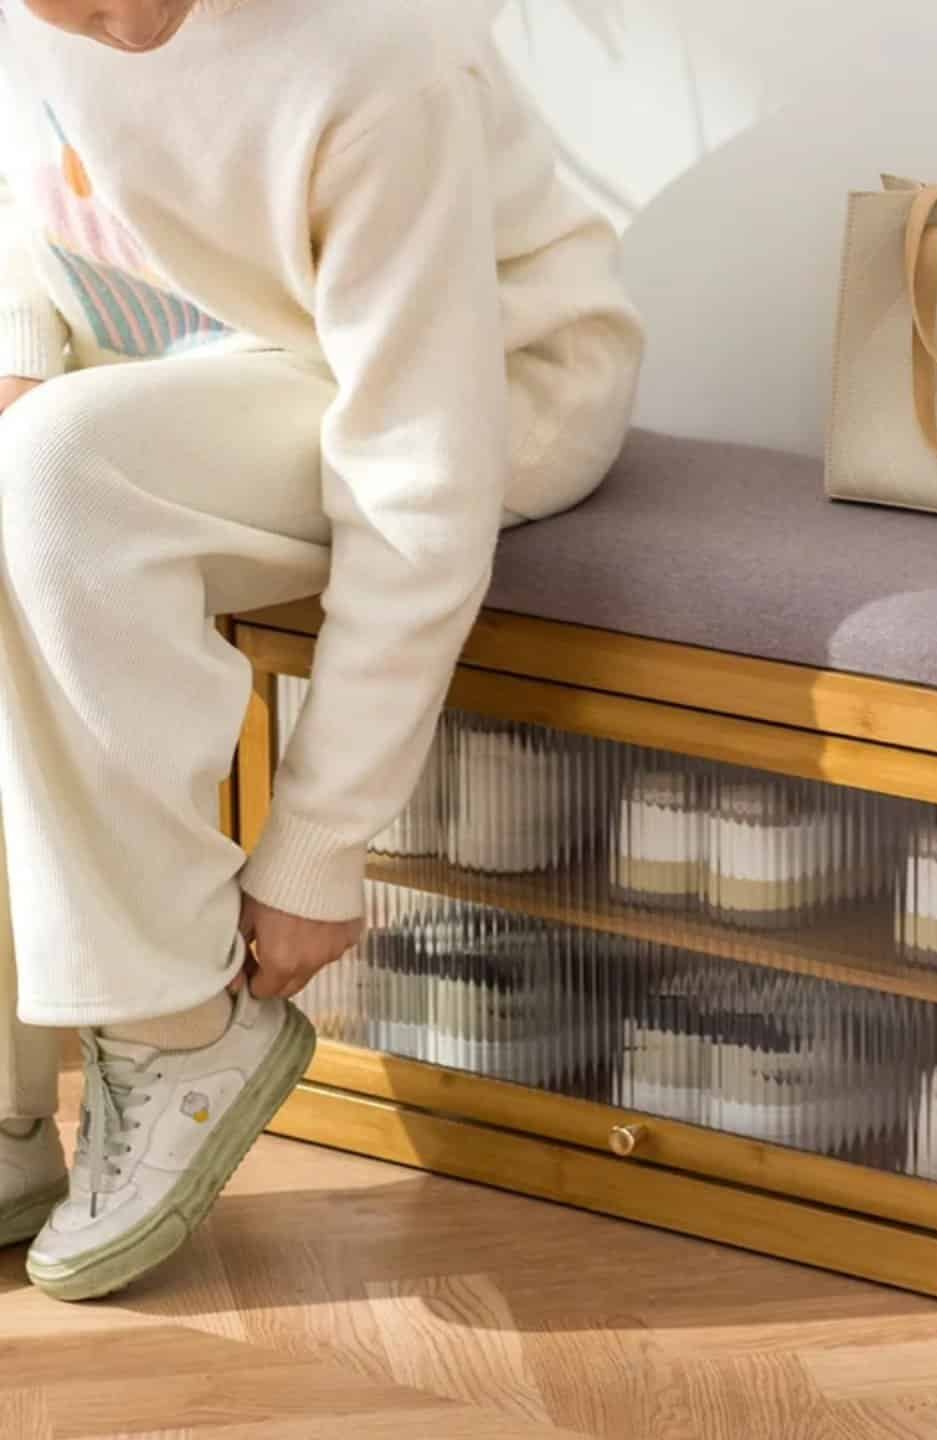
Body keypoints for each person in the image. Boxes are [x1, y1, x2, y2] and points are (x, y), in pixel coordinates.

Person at [0, 0, 643, 1301]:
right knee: (31, 459)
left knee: (57, 468)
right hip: (171, 365)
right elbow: (26, 207)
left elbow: (418, 479)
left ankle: (175, 1025)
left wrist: (316, 844)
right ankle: (9, 1121)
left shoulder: (370, 57)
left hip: (484, 389)